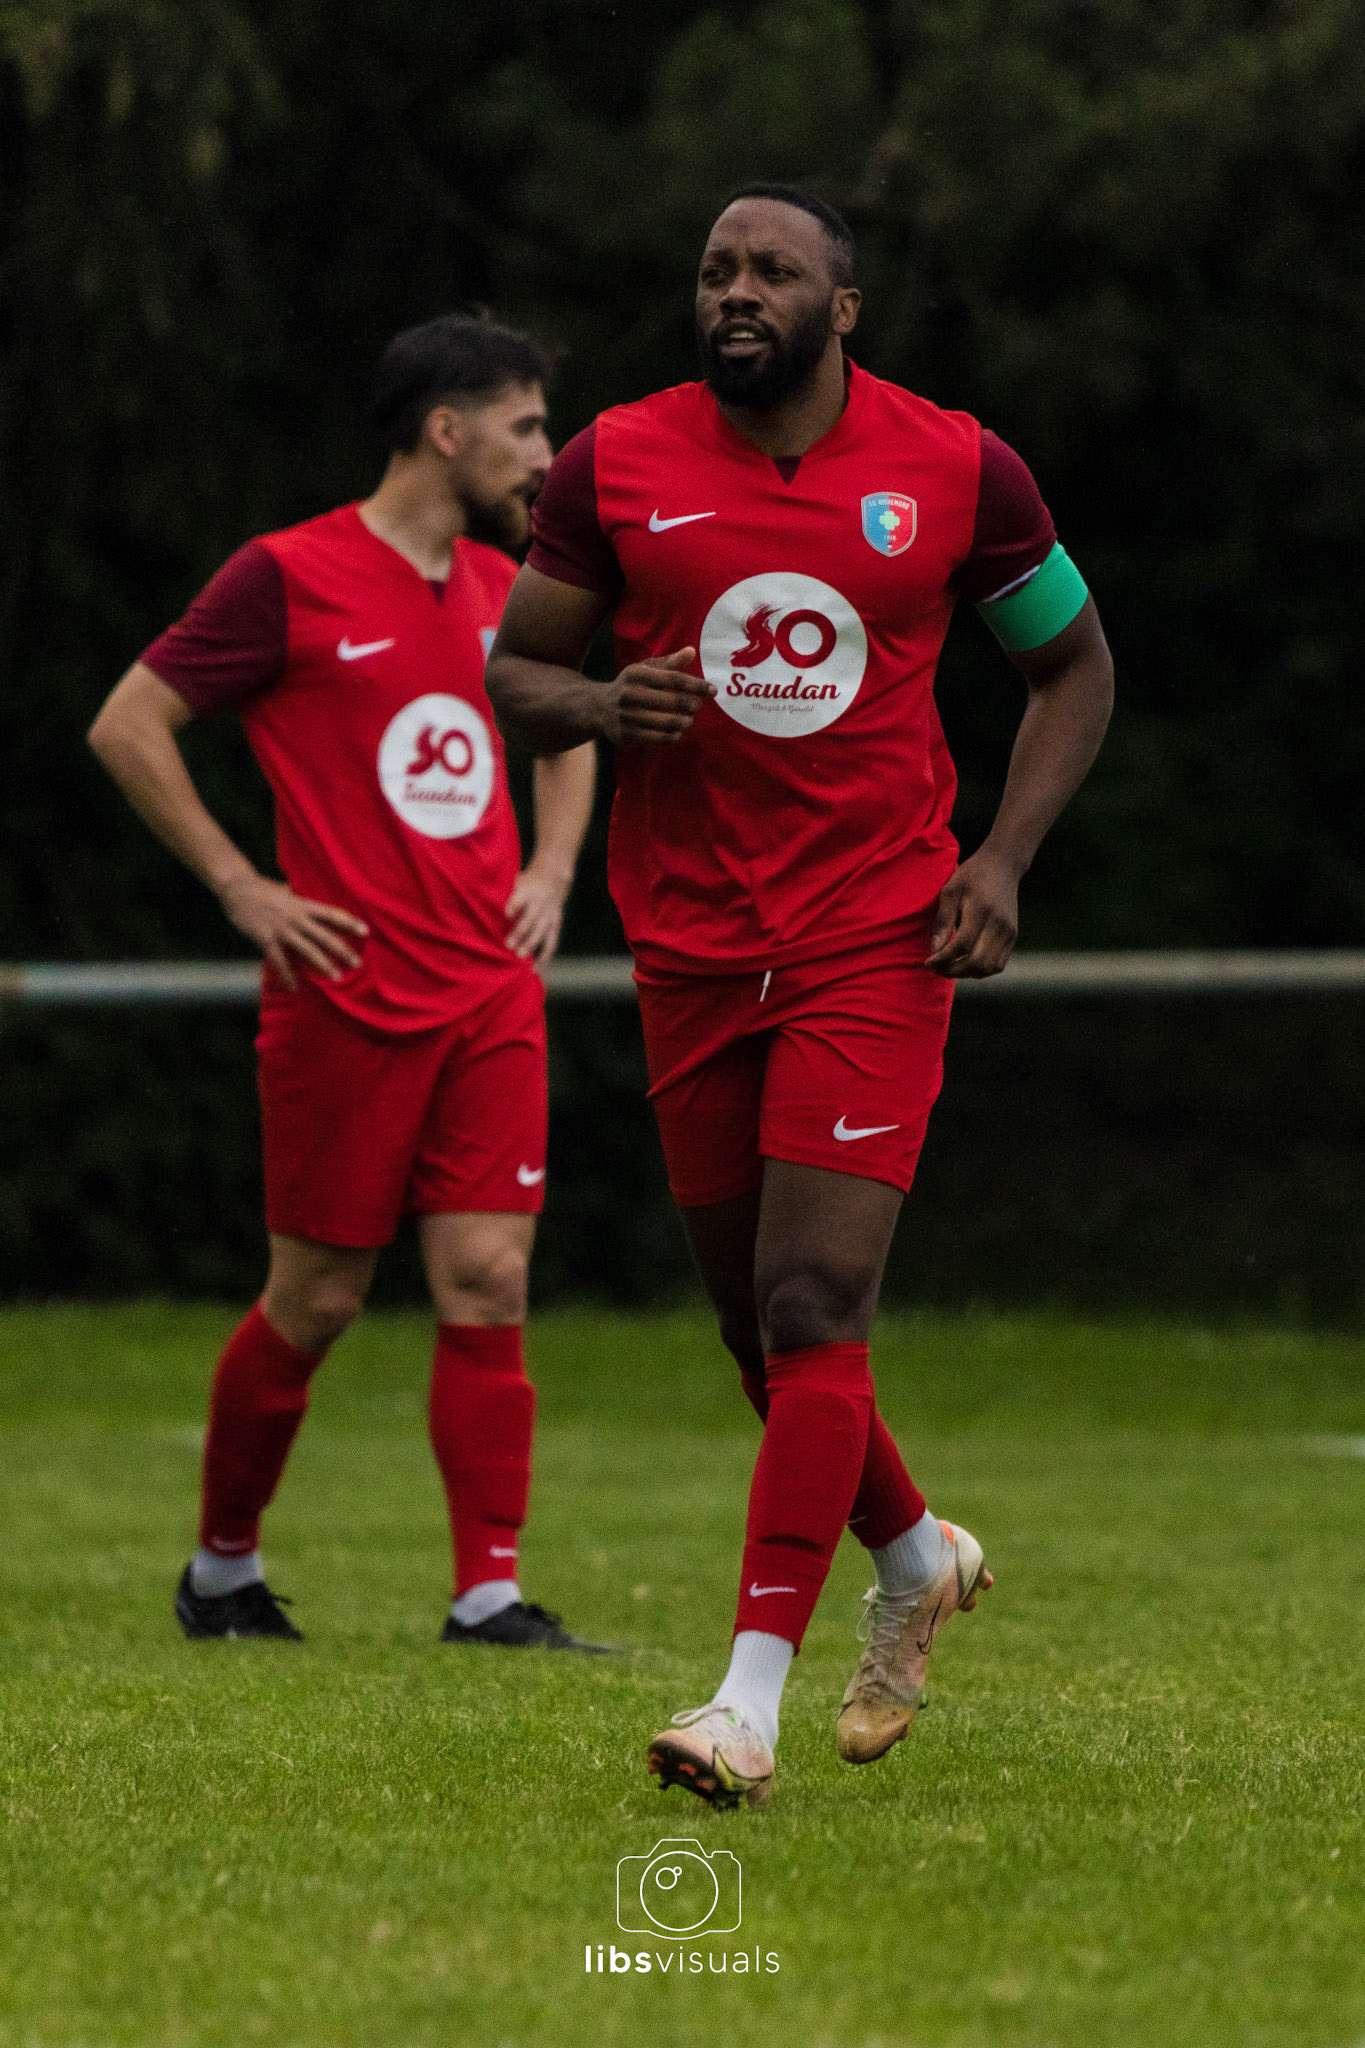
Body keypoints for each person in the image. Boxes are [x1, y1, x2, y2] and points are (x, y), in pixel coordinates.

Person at [485, 185, 1114, 1804]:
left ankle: (742, 1704)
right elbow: (515, 679)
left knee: (812, 1305)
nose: (735, 290)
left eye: (772, 270)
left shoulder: (957, 468)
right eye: (712, 270)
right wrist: (598, 701)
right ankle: (912, 1555)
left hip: (875, 934)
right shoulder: (612, 465)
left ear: (844, 306)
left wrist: (998, 858)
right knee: (754, 1332)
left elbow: (1071, 667)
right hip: (689, 943)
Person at [89, 314, 605, 1653]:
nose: (544, 454)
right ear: (447, 430)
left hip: (490, 991)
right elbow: (128, 722)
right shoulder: (285, 575)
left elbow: (566, 727)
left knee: (489, 1276)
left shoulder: (505, 591)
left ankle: (488, 1596)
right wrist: (239, 886)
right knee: (316, 1298)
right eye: (526, 426)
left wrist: (550, 868)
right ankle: (219, 1576)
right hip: (345, 994)